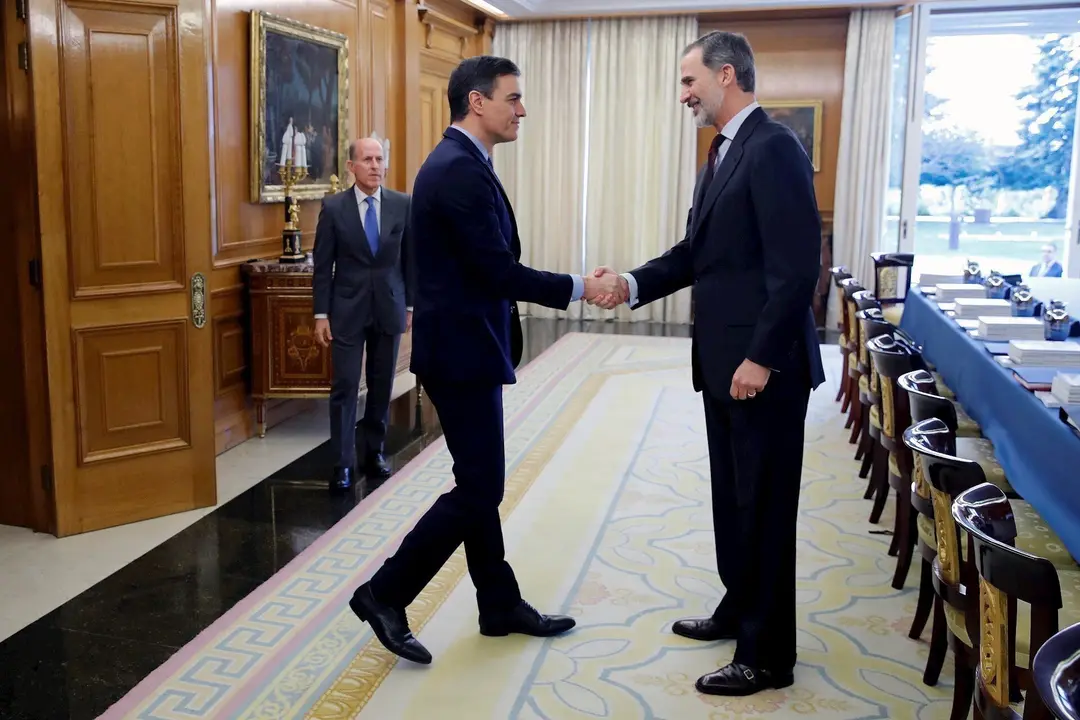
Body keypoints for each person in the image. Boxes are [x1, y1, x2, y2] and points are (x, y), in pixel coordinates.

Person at [347, 55, 622, 665]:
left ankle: (498, 604)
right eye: (512, 98)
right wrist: (582, 285)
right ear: (477, 101)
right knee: (480, 487)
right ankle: (384, 592)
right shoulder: (456, 169)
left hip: (465, 346)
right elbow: (499, 271)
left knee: (478, 483)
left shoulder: (465, 161)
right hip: (460, 354)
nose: (522, 109)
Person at [589, 30, 826, 696]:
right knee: (733, 499)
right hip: (723, 364)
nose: (684, 94)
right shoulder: (723, 152)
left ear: (726, 75)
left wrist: (761, 358)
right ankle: (739, 607)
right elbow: (697, 254)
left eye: (689, 81)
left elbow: (796, 268)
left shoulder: (773, 147)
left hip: (762, 371)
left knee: (764, 509)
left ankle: (767, 656)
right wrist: (630, 284)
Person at [312, 138, 415, 492]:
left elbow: (411, 260)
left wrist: (410, 306)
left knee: (381, 384)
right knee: (344, 386)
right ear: (351, 167)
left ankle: (375, 452)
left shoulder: (402, 204)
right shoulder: (334, 208)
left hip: (389, 306)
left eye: (379, 159)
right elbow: (323, 266)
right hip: (346, 310)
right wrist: (321, 314)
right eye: (367, 159)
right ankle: (342, 463)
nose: (375, 166)